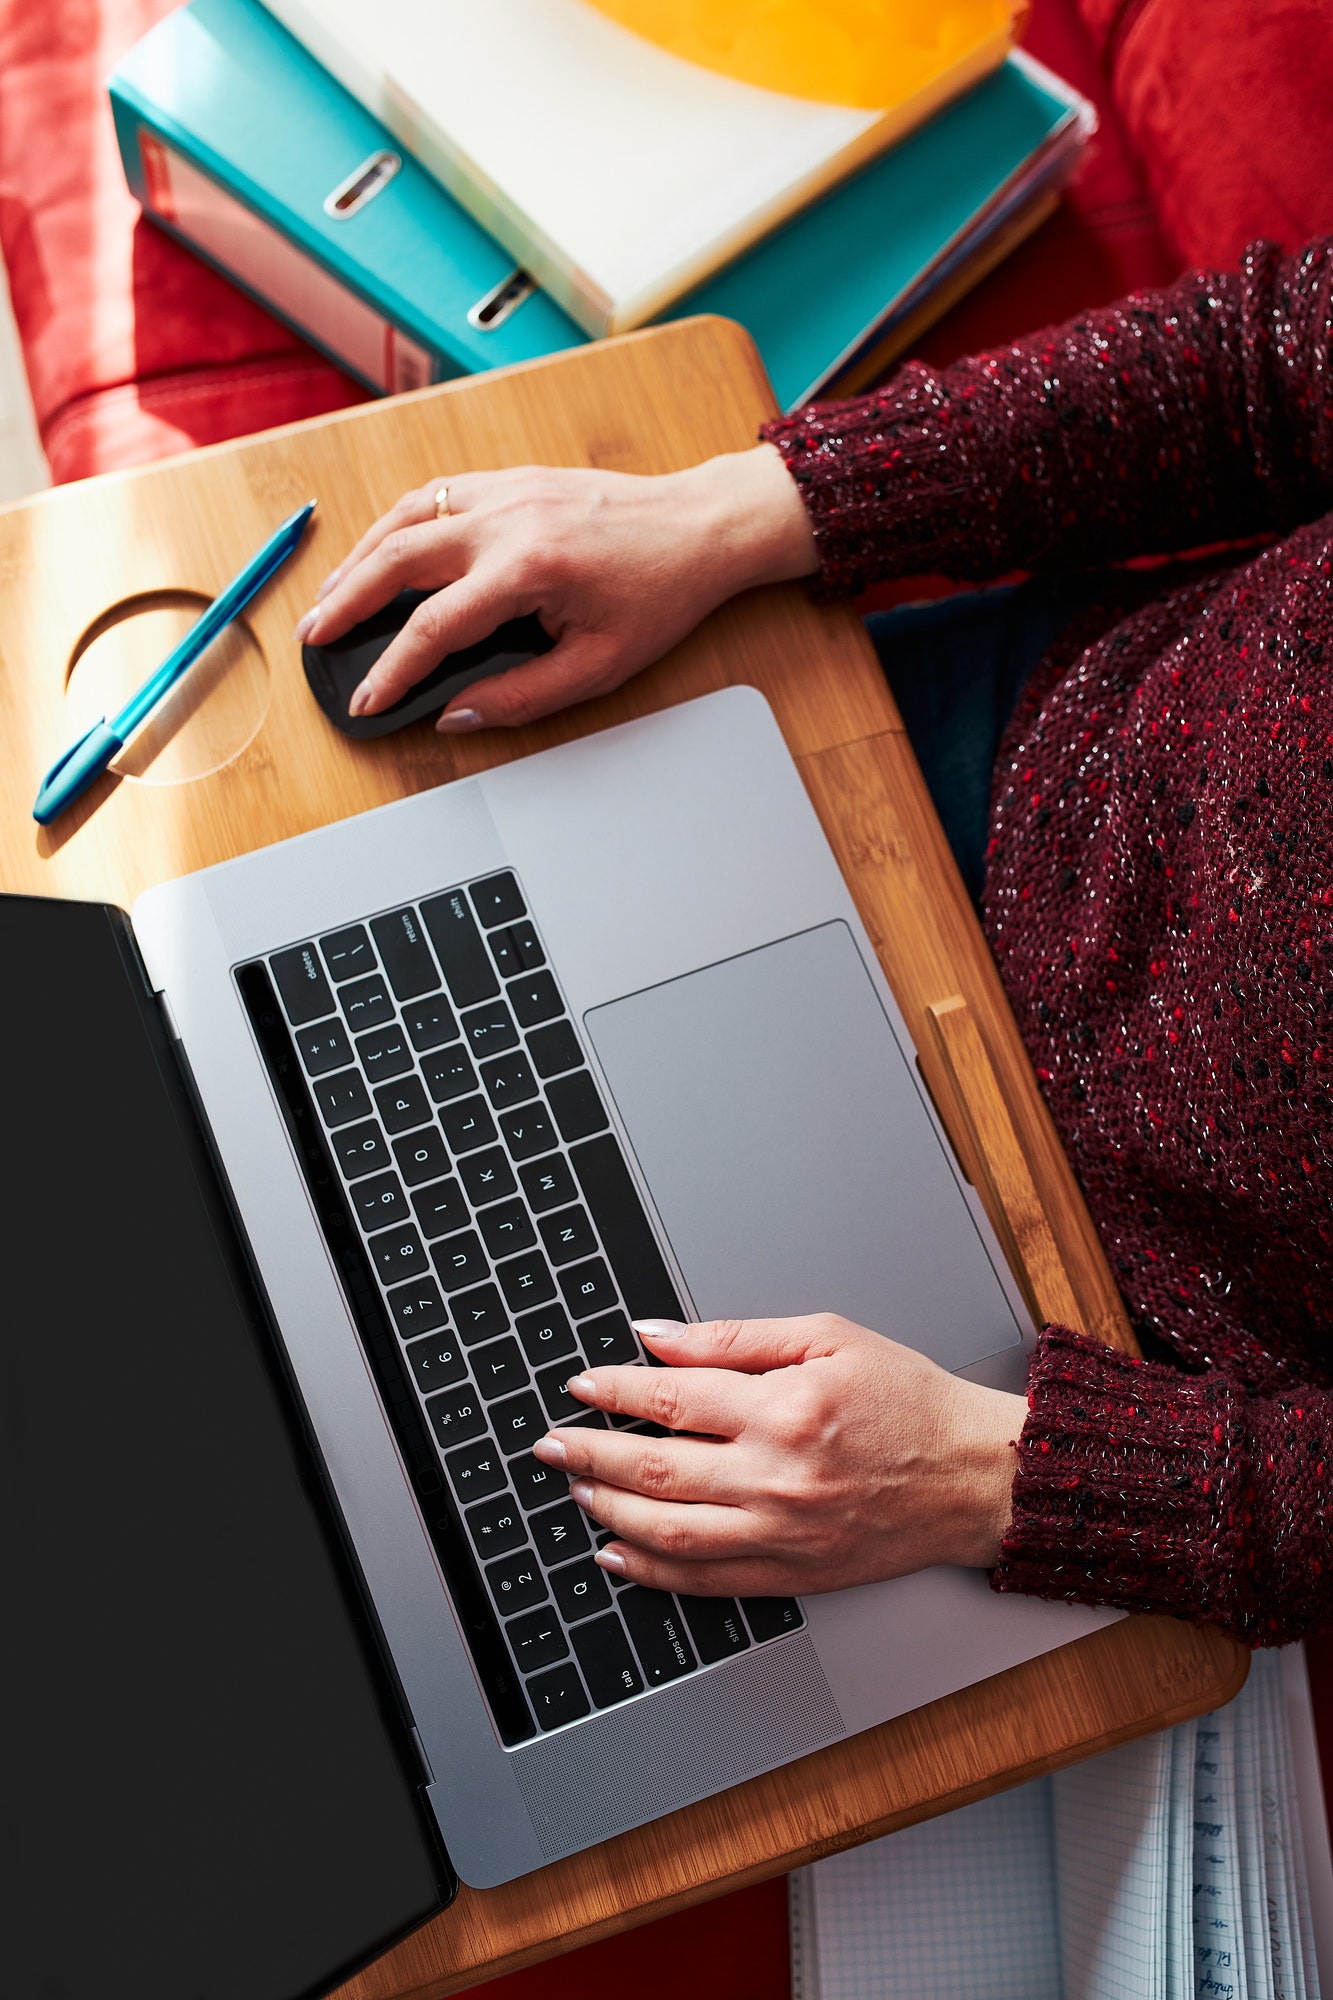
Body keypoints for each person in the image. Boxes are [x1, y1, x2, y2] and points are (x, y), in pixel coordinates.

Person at [295, 237, 1333, 1648]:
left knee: (417, 1539)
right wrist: (731, 512)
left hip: (1071, 1326)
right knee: (309, 1017)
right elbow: (1256, 374)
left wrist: (997, 1475)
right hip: (1014, 753)